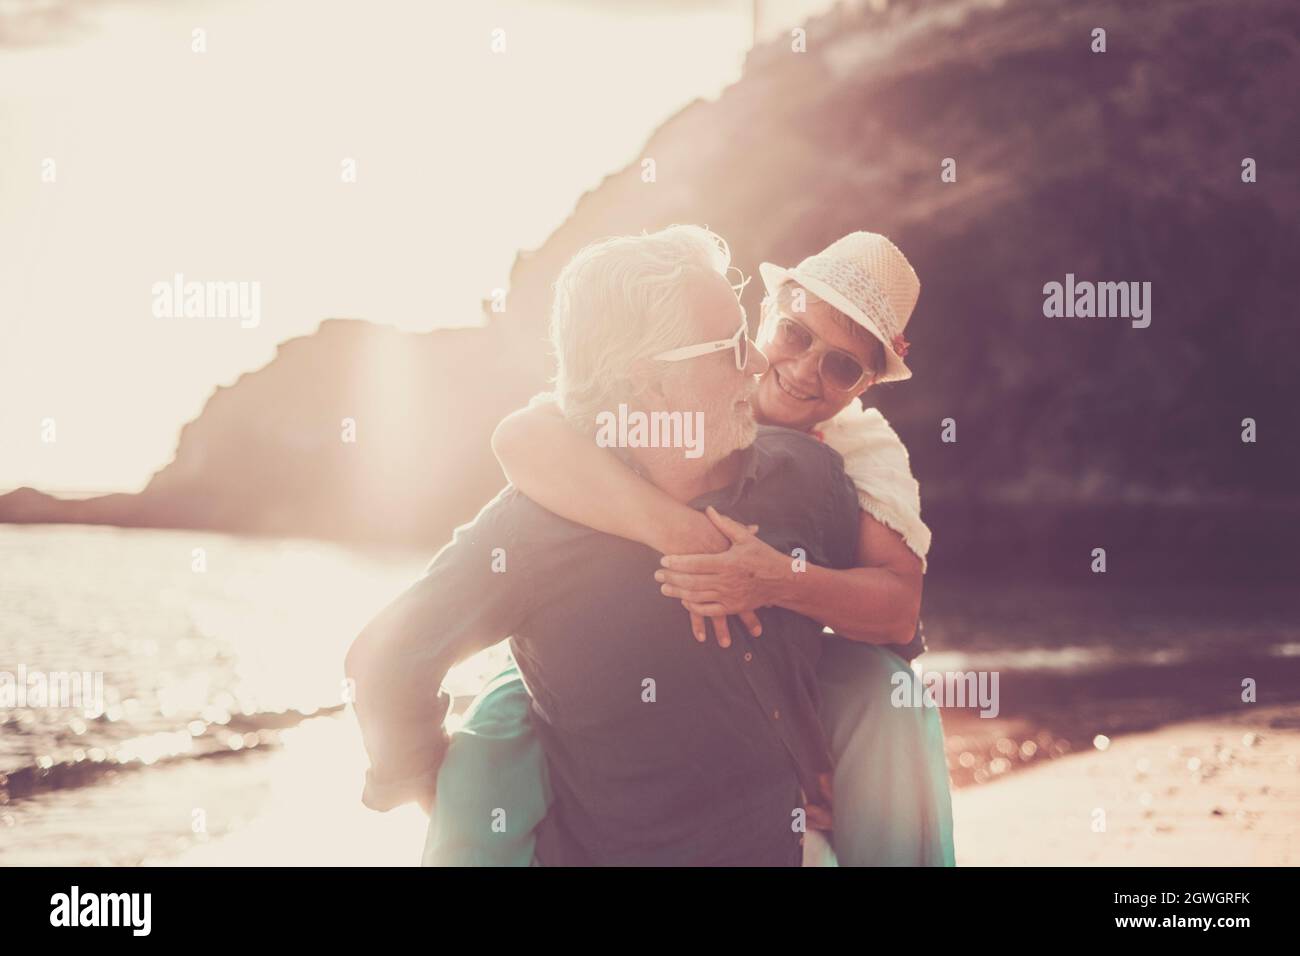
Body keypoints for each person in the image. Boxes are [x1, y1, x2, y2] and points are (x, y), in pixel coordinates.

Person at [430, 231, 956, 866]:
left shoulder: (857, 457)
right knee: (493, 732)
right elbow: (522, 436)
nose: (803, 371)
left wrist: (778, 582)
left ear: (867, 383)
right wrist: (678, 532)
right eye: (796, 335)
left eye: (843, 365)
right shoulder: (687, 369)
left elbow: (899, 610)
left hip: (780, 645)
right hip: (601, 652)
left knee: (890, 698)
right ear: (766, 315)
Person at [347, 225, 860, 865]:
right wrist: (439, 794)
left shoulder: (805, 480)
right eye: (731, 347)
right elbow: (386, 661)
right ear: (646, 386)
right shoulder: (530, 533)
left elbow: (878, 628)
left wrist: (823, 756)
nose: (757, 362)